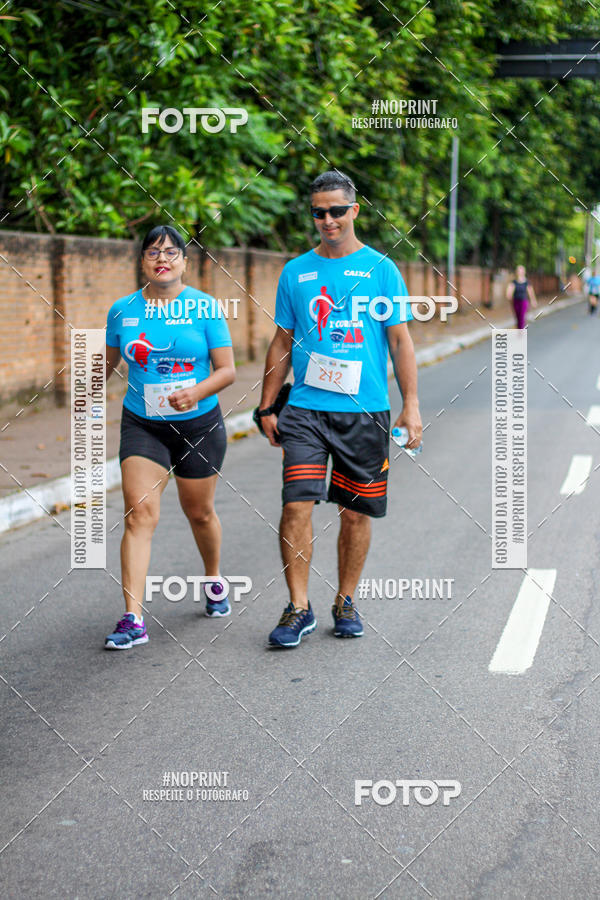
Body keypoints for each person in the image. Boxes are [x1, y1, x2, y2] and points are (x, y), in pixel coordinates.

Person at [257, 170, 422, 648]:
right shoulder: (296, 272)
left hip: (364, 410)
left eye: (335, 211)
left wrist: (410, 405)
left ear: (355, 210)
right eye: (318, 212)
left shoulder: (382, 269)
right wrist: (267, 406)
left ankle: (345, 599)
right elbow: (281, 341)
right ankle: (298, 606)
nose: (326, 220)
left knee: (354, 513)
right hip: (306, 409)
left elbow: (399, 339)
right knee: (296, 504)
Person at [103, 225, 235, 649]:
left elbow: (227, 371)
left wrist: (195, 391)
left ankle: (213, 578)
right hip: (143, 422)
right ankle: (132, 619)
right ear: (141, 261)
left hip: (199, 424)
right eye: (153, 252)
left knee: (199, 513)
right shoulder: (122, 311)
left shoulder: (206, 308)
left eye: (171, 252)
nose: (162, 258)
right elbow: (104, 366)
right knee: (140, 515)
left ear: (184, 260)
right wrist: (81, 398)